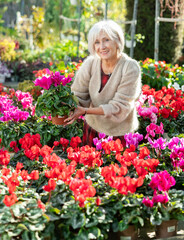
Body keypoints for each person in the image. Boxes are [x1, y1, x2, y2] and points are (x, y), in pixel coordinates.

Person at [65, 20, 142, 147]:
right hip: (92, 129)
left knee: (118, 166)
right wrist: (63, 107)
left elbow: (120, 107)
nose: (102, 46)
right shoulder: (90, 63)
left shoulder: (130, 67)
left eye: (106, 40)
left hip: (120, 134)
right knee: (89, 166)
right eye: (97, 42)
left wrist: (84, 111)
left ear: (117, 40)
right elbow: (78, 94)